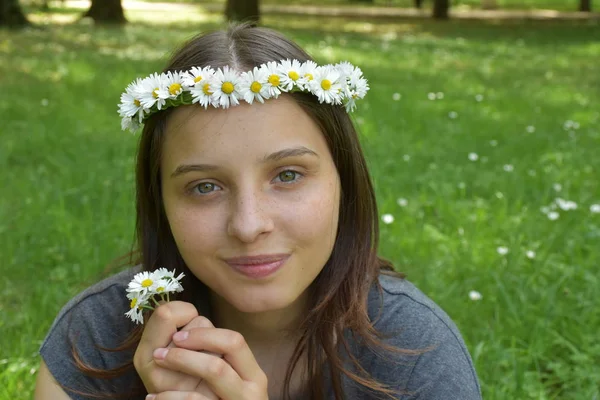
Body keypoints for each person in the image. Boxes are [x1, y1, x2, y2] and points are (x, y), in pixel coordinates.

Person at [34, 24, 482, 400]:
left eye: (287, 175)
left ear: (343, 179)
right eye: (204, 186)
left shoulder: (415, 355)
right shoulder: (94, 341)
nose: (248, 225)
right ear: (161, 202)